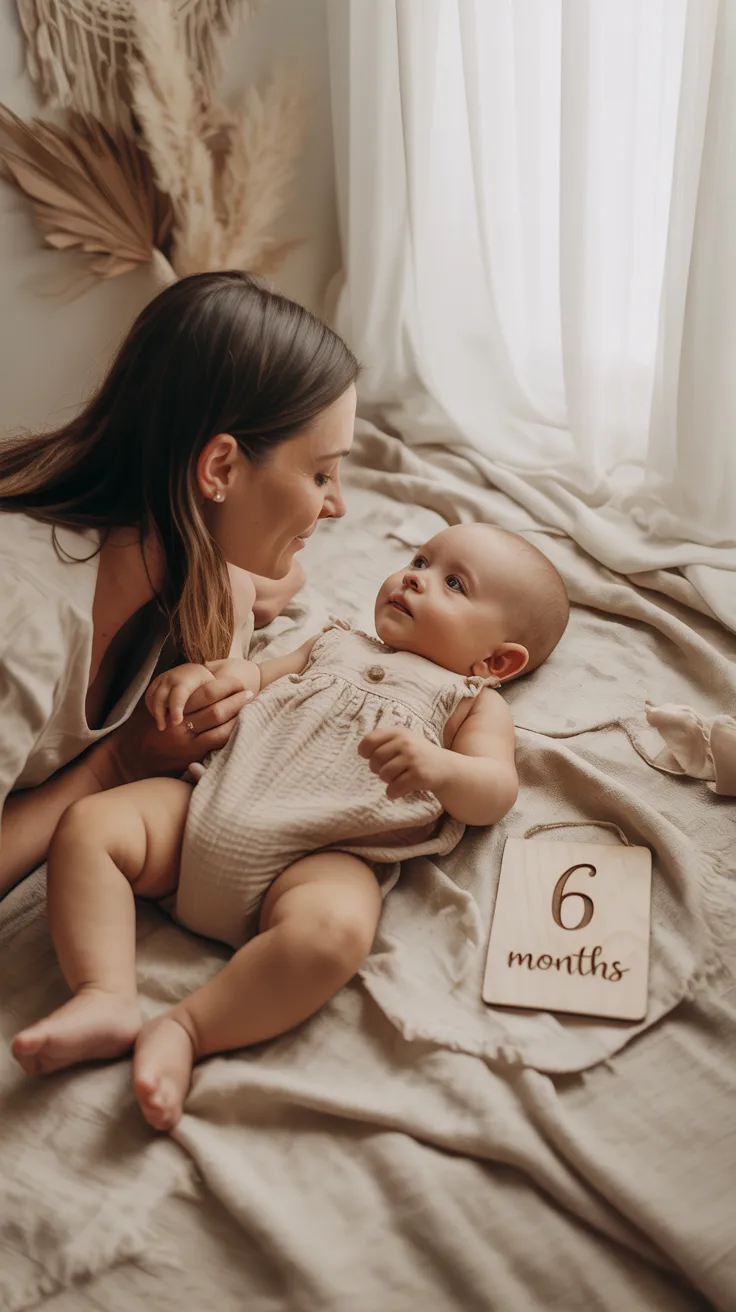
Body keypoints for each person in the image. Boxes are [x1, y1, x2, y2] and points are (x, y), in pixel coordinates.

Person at [11, 523, 570, 1130]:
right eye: (420, 559)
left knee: (334, 933)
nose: (415, 576)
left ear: (496, 661)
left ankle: (187, 1028)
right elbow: (252, 677)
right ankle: (105, 994)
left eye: (453, 583)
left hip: (318, 859)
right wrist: (204, 676)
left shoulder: (471, 703)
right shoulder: (334, 641)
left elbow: (494, 792)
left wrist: (440, 766)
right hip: (204, 805)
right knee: (90, 824)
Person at [0, 271, 359, 898]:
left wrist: (259, 583)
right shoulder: (24, 624)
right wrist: (116, 765)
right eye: (322, 474)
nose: (338, 508)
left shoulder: (171, 549)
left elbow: (276, 583)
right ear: (219, 467)